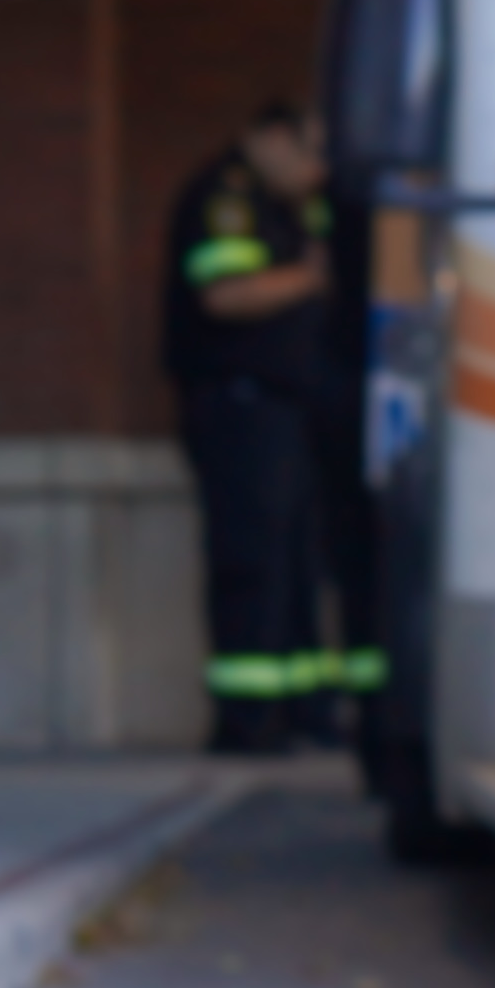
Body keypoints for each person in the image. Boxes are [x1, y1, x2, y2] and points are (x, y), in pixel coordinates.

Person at [161, 99, 342, 756]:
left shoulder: (285, 203)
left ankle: (296, 711)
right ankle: (244, 720)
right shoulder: (226, 197)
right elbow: (225, 292)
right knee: (250, 558)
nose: (317, 170)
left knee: (293, 559)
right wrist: (310, 277)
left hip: (286, 409)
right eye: (309, 152)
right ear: (270, 138)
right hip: (239, 407)